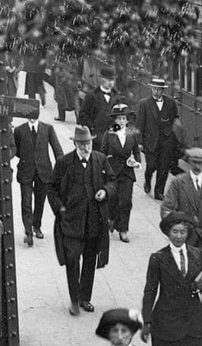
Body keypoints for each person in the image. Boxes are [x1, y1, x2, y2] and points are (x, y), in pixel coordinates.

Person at [48, 125, 116, 316]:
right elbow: (51, 188)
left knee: (90, 259)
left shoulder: (100, 160)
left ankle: (85, 298)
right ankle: (74, 299)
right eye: (82, 144)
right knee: (72, 259)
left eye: (89, 144)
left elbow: (112, 181)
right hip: (71, 221)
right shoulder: (64, 162)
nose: (86, 148)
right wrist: (60, 208)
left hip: (94, 221)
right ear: (75, 144)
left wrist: (106, 191)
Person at [161, 147, 202, 328]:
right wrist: (174, 229)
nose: (197, 166)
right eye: (194, 163)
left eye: (201, 163)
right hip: (185, 239)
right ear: (188, 163)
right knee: (183, 275)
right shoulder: (178, 183)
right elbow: (166, 207)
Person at [141, 212, 202, 346]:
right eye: (175, 232)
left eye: (182, 232)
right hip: (167, 326)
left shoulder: (198, 255)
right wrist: (147, 321)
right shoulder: (158, 258)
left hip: (194, 325)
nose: (179, 236)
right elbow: (150, 291)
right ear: (168, 233)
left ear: (188, 233)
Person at [13, 109, 63, 245]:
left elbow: (56, 148)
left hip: (44, 171)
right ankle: (28, 232)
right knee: (26, 202)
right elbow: (15, 150)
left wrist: (63, 165)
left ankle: (36, 226)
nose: (32, 118)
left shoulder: (47, 129)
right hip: (26, 171)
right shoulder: (19, 130)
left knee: (40, 201)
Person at [100, 104, 141, 243]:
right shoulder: (109, 134)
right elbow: (102, 153)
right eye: (119, 118)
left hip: (127, 172)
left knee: (126, 201)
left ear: (127, 120)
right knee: (112, 199)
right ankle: (112, 218)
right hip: (112, 172)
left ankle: (123, 229)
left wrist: (136, 161)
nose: (122, 121)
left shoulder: (132, 134)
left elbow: (136, 151)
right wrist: (103, 168)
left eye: (124, 118)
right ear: (115, 120)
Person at [136, 77, 180, 200]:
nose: (156, 92)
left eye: (159, 90)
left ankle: (159, 192)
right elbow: (139, 124)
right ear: (151, 89)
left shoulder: (170, 103)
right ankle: (147, 179)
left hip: (166, 141)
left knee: (164, 167)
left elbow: (175, 118)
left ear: (163, 91)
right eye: (154, 89)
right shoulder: (144, 104)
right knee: (151, 165)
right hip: (150, 141)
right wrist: (139, 142)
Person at [78, 68, 120, 150]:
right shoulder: (91, 95)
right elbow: (82, 115)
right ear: (102, 79)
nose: (111, 83)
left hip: (112, 140)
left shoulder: (117, 97)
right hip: (96, 139)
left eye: (113, 80)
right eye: (109, 80)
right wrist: (92, 128)